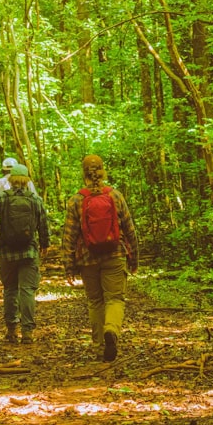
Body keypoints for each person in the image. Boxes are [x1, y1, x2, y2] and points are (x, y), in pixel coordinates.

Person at [61, 154, 138, 362]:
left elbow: (69, 235)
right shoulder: (115, 195)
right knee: (114, 298)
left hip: (88, 259)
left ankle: (99, 347)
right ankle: (111, 329)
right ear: (103, 171)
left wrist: (69, 266)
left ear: (83, 173)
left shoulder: (76, 200)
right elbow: (130, 229)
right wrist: (134, 258)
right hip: (115, 254)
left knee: (95, 301)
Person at [0, 164, 50, 344]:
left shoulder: (0, 199)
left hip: (6, 252)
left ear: (11, 179)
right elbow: (43, 224)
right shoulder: (35, 200)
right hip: (29, 251)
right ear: (27, 180)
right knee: (27, 290)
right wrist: (45, 244)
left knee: (10, 290)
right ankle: (27, 332)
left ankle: (12, 329)